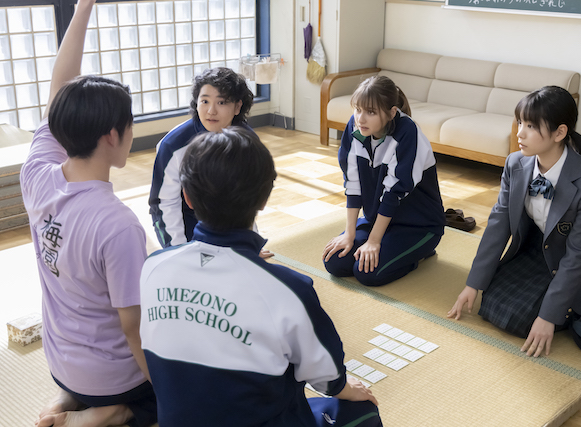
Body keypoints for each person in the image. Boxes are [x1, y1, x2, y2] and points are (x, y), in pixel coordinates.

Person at [139, 127, 382, 427]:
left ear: (186, 197)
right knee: (363, 412)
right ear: (265, 198)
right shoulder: (289, 289)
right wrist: (346, 389)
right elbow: (327, 377)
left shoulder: (153, 268)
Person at [20, 1, 157, 426]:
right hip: (111, 378)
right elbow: (134, 328)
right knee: (186, 379)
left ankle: (69, 399)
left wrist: (82, 8)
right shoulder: (118, 225)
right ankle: (105, 414)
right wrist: (164, 384)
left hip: (59, 362)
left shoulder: (36, 174)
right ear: (113, 135)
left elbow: (59, 88)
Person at [448, 86, 581, 358]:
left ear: (559, 133)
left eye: (530, 126)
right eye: (520, 122)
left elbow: (578, 256)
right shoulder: (515, 163)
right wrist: (474, 283)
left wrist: (549, 317)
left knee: (523, 320)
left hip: (579, 263)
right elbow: (499, 224)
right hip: (538, 248)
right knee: (490, 302)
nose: (520, 133)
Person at [322, 75, 446, 286]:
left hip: (418, 225)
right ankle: (386, 245)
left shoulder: (407, 133)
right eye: (358, 109)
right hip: (377, 220)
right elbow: (352, 184)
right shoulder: (355, 128)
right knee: (335, 262)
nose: (361, 119)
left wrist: (373, 241)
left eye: (370, 112)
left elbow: (392, 194)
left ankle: (418, 253)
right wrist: (349, 234)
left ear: (391, 113)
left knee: (367, 273)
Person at [148, 67, 273, 257]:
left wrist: (250, 243)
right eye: (204, 101)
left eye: (221, 102)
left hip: (230, 220)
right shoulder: (173, 145)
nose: (211, 111)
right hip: (190, 220)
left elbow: (248, 196)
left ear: (237, 107)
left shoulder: (246, 140)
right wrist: (179, 251)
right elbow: (164, 203)